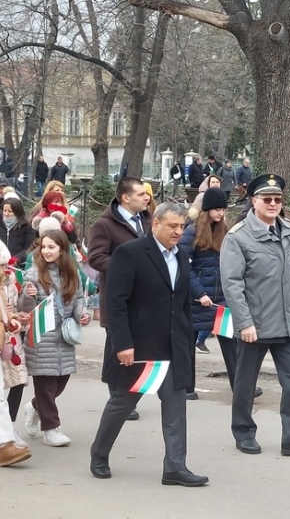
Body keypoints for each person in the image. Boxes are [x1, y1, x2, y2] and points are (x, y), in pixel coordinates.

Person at [90, 202, 207, 486]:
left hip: (174, 346)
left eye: (182, 226)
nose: (179, 232)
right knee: (122, 403)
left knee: (176, 406)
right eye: (172, 226)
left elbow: (181, 305)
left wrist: (187, 342)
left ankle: (175, 467)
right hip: (141, 348)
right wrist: (123, 343)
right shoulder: (129, 253)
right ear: (155, 224)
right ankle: (99, 454)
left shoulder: (180, 257)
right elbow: (115, 302)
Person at [220, 173, 290, 456]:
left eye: (277, 199)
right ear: (254, 201)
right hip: (257, 325)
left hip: (288, 323)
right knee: (245, 382)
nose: (273, 204)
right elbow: (232, 284)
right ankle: (243, 431)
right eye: (267, 199)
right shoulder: (238, 237)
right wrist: (244, 323)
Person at [88, 177, 152, 421]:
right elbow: (95, 258)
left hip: (144, 300)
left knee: (138, 348)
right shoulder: (105, 225)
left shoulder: (147, 221)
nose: (147, 197)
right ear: (126, 198)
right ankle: (118, 397)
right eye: (141, 194)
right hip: (117, 300)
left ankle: (130, 394)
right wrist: (128, 267)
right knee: (118, 350)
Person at [19, 229, 88, 447]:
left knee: (60, 381)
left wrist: (82, 314)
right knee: (46, 385)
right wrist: (27, 297)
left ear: (61, 250)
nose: (46, 251)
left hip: (64, 336)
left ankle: (34, 406)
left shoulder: (72, 273)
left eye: (52, 247)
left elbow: (77, 299)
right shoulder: (33, 273)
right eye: (44, 247)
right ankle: (51, 429)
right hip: (41, 336)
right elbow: (24, 308)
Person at [178, 187, 236, 399]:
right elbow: (184, 265)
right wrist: (199, 293)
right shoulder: (192, 231)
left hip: (220, 296)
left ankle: (240, 386)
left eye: (223, 209)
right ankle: (186, 387)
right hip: (197, 298)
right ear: (207, 210)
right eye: (216, 209)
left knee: (230, 341)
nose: (220, 213)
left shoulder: (225, 230)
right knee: (188, 344)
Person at [1, 240, 30, 457]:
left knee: (6, 390)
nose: (6, 270)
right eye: (2, 265)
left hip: (5, 342)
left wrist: (12, 318)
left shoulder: (5, 283)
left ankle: (6, 440)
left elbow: (6, 313)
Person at [1, 197, 36, 262]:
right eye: (5, 210)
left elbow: (29, 247)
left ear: (17, 212)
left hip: (18, 264)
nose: (6, 214)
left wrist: (17, 259)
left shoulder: (26, 227)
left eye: (10, 211)